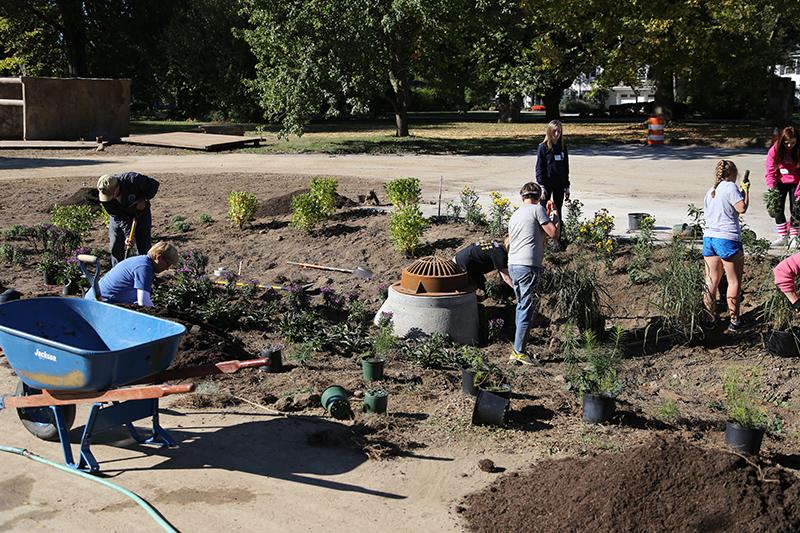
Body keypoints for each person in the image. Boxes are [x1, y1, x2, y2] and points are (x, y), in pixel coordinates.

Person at [507, 182, 560, 365]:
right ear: (539, 197)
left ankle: (519, 344)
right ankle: (519, 351)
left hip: (513, 265)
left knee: (521, 305)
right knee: (527, 307)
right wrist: (555, 213)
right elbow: (554, 233)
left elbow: (510, 241)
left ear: (522, 197)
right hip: (528, 266)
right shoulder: (538, 210)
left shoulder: (514, 215)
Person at [702, 160, 752, 333]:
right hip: (727, 239)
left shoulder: (711, 191)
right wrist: (745, 191)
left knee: (710, 281)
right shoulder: (731, 187)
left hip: (709, 238)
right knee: (733, 281)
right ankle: (735, 321)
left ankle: (710, 318)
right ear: (734, 174)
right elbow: (742, 208)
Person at [85, 242, 178, 306]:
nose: (167, 268)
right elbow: (144, 302)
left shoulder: (141, 261)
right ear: (158, 257)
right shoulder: (144, 268)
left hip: (98, 301)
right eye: (168, 264)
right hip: (101, 303)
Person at [98, 172, 160, 266]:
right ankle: (117, 273)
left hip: (140, 214)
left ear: (118, 187)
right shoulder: (105, 197)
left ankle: (144, 271)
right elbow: (118, 216)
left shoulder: (133, 180)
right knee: (116, 244)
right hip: (120, 216)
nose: (109, 198)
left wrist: (143, 199)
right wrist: (128, 235)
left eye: (111, 194)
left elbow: (154, 185)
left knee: (144, 246)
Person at [536, 120, 569, 250]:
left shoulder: (562, 148)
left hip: (559, 184)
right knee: (543, 212)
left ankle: (557, 240)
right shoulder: (543, 148)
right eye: (554, 131)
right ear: (549, 131)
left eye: (559, 131)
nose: (557, 134)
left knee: (558, 211)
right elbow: (539, 167)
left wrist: (567, 186)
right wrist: (542, 186)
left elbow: (565, 168)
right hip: (547, 185)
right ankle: (541, 239)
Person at [764, 126, 800, 246]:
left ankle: (794, 237)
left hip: (796, 182)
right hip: (780, 181)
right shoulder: (775, 150)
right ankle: (783, 236)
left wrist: (799, 193)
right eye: (786, 143)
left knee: (796, 209)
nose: (789, 146)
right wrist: (771, 187)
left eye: (792, 143)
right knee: (777, 208)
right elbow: (770, 171)